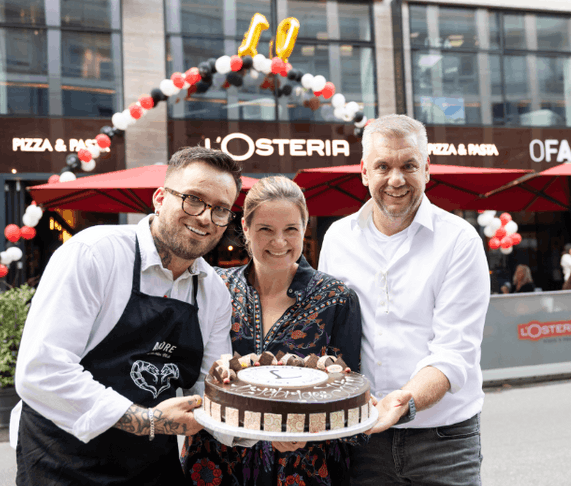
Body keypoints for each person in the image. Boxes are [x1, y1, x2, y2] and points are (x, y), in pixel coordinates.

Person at [12, 147, 242, 485]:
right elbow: (42, 370)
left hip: (149, 465)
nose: (206, 218)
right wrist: (147, 419)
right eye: (193, 199)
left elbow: (212, 389)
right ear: (160, 198)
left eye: (221, 209)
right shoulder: (94, 254)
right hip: (62, 460)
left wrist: (266, 426)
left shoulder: (214, 292)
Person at [318, 114, 490, 486]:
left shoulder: (460, 241)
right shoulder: (336, 239)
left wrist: (402, 401)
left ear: (427, 169)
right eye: (383, 166)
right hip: (360, 436)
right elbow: (330, 337)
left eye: (408, 165)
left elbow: (454, 352)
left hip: (444, 441)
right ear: (364, 172)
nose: (396, 179)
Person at [181, 176, 363, 486]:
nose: (279, 242)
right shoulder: (214, 287)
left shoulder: (336, 297)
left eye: (290, 229)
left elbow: (345, 392)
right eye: (266, 229)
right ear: (246, 231)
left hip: (304, 467)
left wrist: (301, 429)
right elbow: (193, 375)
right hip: (217, 463)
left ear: (304, 230)